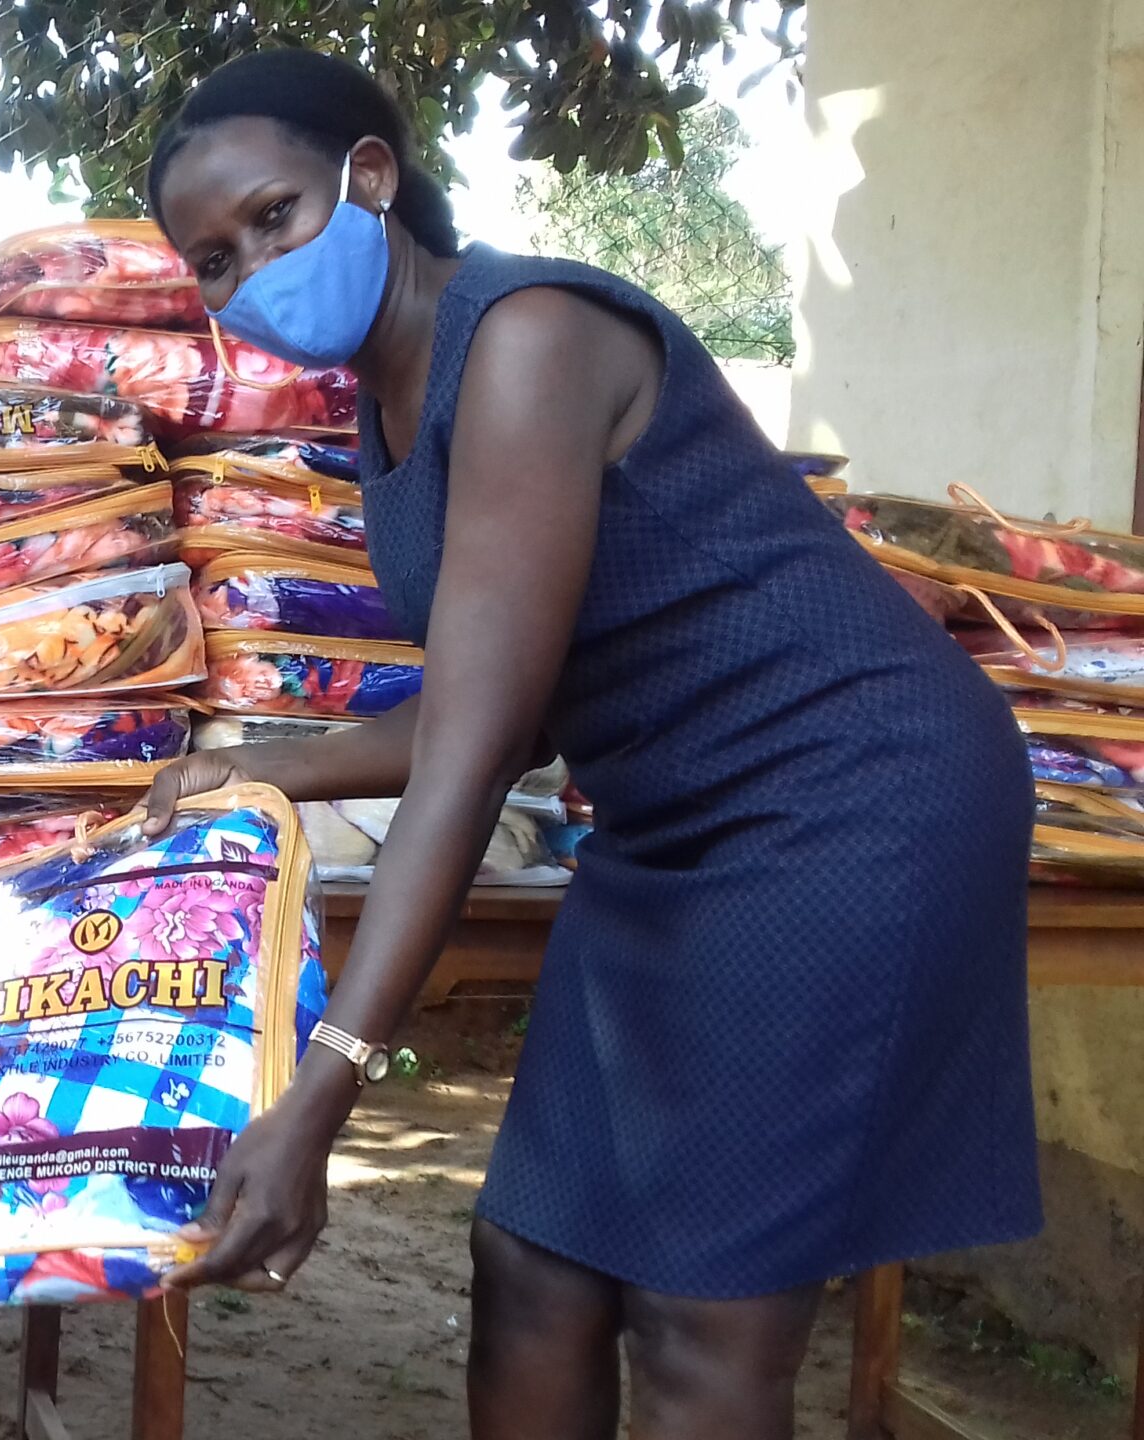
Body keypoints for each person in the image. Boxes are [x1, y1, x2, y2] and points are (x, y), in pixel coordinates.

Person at [142, 49, 1040, 1440]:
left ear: (370, 178)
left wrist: (331, 1080)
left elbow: (478, 750)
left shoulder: (526, 340)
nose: (251, 268)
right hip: (670, 831)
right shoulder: (387, 412)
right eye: (213, 259)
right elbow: (514, 699)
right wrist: (258, 766)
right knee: (536, 1266)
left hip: (848, 801)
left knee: (706, 1314)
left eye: (274, 217)